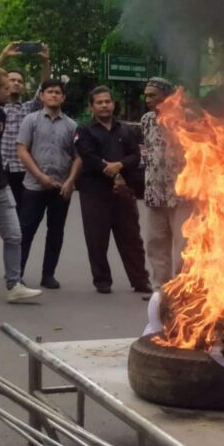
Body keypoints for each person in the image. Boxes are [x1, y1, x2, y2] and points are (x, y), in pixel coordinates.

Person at [0, 65, 43, 309]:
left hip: (0, 188)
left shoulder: (0, 115)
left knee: (14, 235)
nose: (9, 90)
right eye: (4, 87)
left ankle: (14, 286)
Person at [74, 86, 151, 295]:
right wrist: (111, 170)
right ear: (92, 106)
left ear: (113, 104)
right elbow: (87, 157)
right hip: (94, 192)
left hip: (123, 191)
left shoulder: (125, 130)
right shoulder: (84, 131)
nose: (104, 105)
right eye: (99, 102)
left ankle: (140, 280)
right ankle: (102, 281)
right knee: (97, 239)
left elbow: (135, 155)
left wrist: (120, 166)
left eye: (107, 101)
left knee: (132, 238)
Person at [17, 79, 80, 289]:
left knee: (56, 232)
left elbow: (78, 156)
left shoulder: (72, 125)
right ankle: (16, 275)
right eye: (50, 92)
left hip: (60, 188)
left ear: (63, 97)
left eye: (58, 92)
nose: (54, 95)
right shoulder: (31, 120)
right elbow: (22, 150)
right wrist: (39, 175)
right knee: (26, 231)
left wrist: (71, 181)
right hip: (34, 187)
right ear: (42, 96)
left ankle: (48, 275)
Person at [141, 77, 190, 292]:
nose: (148, 99)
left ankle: (180, 289)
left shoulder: (186, 119)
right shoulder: (147, 120)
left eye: (153, 95)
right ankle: (160, 289)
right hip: (154, 191)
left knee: (183, 246)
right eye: (146, 95)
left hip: (180, 192)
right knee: (155, 243)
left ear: (167, 96)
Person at [0, 42, 51, 212]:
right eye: (12, 80)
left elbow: (44, 88)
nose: (16, 83)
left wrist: (45, 62)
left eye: (19, 81)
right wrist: (3, 55)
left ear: (23, 86)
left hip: (21, 170)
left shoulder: (28, 108)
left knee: (18, 218)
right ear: (4, 84)